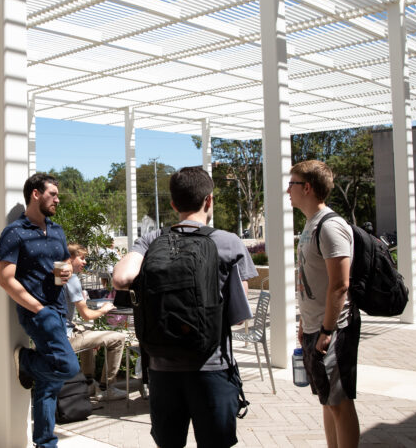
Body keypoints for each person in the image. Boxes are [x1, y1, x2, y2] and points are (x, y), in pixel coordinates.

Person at [113, 166, 257, 448]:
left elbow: (121, 278)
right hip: (212, 367)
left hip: (162, 370)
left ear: (173, 204)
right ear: (209, 200)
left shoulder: (152, 241)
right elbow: (238, 318)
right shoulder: (228, 242)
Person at [0, 172, 78, 448]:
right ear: (35, 194)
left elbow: (63, 261)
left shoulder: (56, 230)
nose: (57, 199)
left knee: (49, 386)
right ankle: (27, 362)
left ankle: (45, 443)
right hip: (38, 313)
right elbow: (5, 279)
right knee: (68, 367)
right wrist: (39, 309)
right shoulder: (14, 233)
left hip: (59, 310)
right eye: (52, 194)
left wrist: (67, 268)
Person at [290, 160, 360, 448]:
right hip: (315, 327)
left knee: (340, 402)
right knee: (327, 400)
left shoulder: (331, 226)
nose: (287, 190)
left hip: (334, 329)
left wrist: (327, 330)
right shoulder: (311, 225)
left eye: (292, 184)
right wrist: (304, 324)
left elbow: (340, 284)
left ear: (307, 187)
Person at [64, 243, 129, 401]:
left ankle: (88, 382)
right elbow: (87, 314)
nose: (85, 262)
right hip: (65, 338)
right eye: (82, 258)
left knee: (86, 332)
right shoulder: (72, 279)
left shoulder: (57, 277)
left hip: (59, 332)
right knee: (118, 338)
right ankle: (107, 387)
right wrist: (104, 310)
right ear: (70, 258)